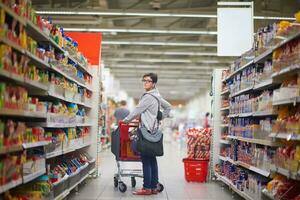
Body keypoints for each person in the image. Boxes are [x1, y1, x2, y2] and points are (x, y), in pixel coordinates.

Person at [123, 73, 171, 195]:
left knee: (146, 159)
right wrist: (160, 116)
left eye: (148, 81)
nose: (145, 83)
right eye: (144, 80)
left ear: (153, 83)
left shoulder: (148, 96)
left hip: (146, 131)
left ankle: (147, 188)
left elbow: (137, 110)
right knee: (152, 159)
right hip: (154, 130)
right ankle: (154, 187)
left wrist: (125, 121)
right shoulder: (157, 96)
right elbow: (168, 107)